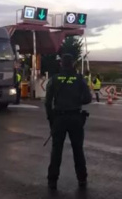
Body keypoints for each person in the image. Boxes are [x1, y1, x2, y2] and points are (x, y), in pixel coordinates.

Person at [45, 54, 92, 190]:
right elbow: (88, 99)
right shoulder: (79, 79)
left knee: (56, 150)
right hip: (76, 118)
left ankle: (52, 180)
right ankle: (82, 179)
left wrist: (51, 119)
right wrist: (76, 100)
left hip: (59, 118)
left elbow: (48, 102)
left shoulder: (54, 79)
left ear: (61, 64)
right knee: (78, 150)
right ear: (72, 64)